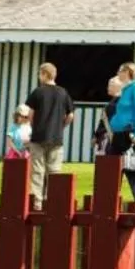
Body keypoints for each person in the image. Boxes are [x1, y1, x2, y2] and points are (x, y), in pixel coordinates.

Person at [23, 62, 77, 205]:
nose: (38, 77)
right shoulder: (63, 92)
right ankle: (52, 201)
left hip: (38, 136)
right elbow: (71, 115)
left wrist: (35, 127)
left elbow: (30, 114)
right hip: (56, 137)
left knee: (37, 171)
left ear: (44, 74)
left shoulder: (38, 92)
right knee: (54, 171)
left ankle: (37, 203)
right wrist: (61, 126)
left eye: (39, 74)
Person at [108, 62, 135, 198]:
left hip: (128, 134)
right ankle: (111, 198)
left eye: (120, 71)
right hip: (117, 135)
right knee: (112, 168)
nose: (118, 74)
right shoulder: (124, 89)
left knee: (133, 168)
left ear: (127, 72)